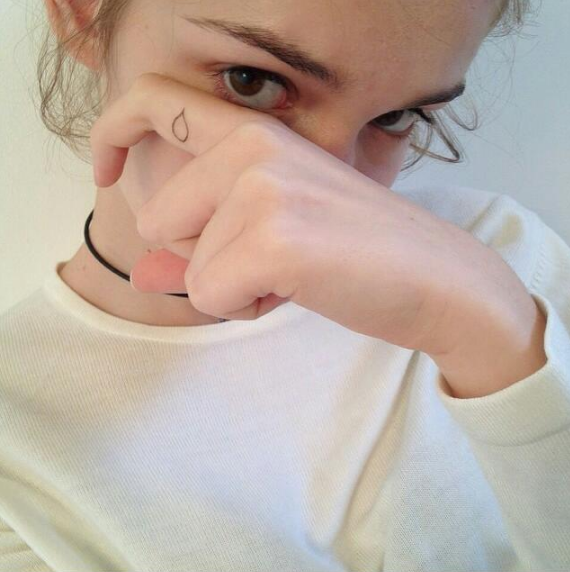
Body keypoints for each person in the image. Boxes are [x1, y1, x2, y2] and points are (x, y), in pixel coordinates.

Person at [1, 0, 569, 570]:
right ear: (81, 13)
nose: (325, 185)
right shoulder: (19, 451)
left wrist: (492, 340)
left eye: (396, 117)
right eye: (252, 82)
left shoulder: (504, 262)